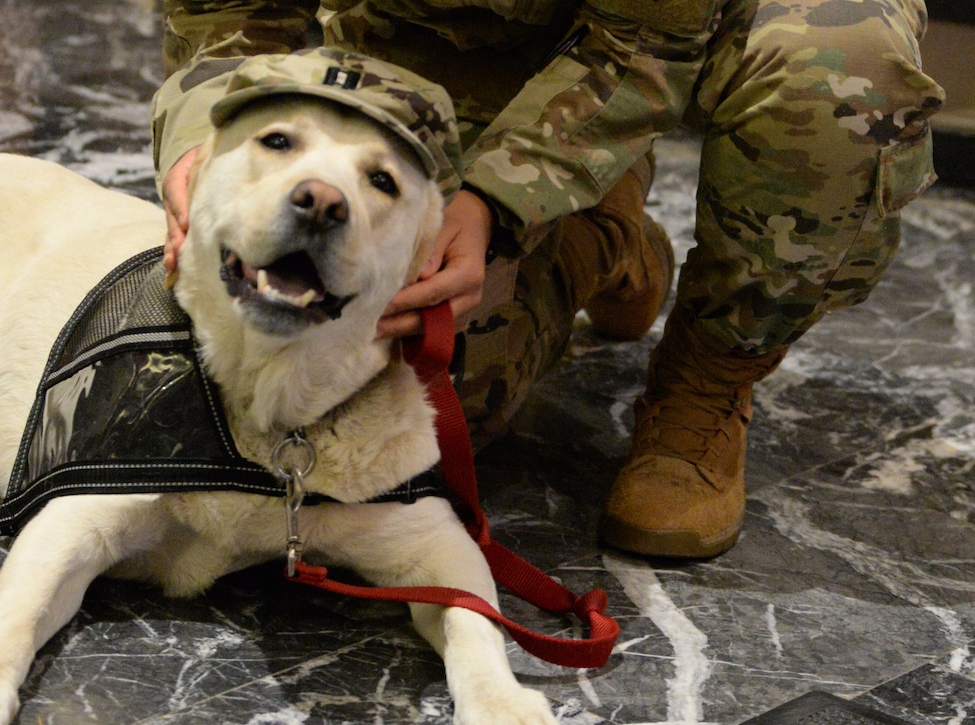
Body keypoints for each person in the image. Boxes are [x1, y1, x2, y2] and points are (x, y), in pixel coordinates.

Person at [151, 0, 944, 559]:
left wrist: (498, 203)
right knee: (406, 386)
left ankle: (708, 378)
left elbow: (644, 44)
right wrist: (207, 135)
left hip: (681, 28)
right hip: (437, 40)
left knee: (840, 68)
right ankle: (608, 236)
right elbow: (228, 11)